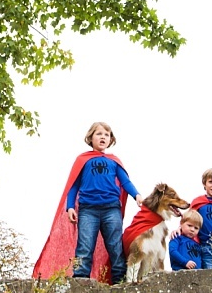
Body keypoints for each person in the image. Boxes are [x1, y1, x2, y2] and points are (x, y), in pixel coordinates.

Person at [32, 121, 142, 284]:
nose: (103, 137)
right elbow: (73, 185)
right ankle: (80, 280)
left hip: (111, 209)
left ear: (111, 140)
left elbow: (125, 182)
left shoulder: (114, 161)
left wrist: (137, 195)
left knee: (115, 246)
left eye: (107, 134)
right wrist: (70, 207)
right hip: (87, 209)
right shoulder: (83, 159)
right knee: (84, 246)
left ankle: (120, 281)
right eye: (99, 134)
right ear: (90, 138)